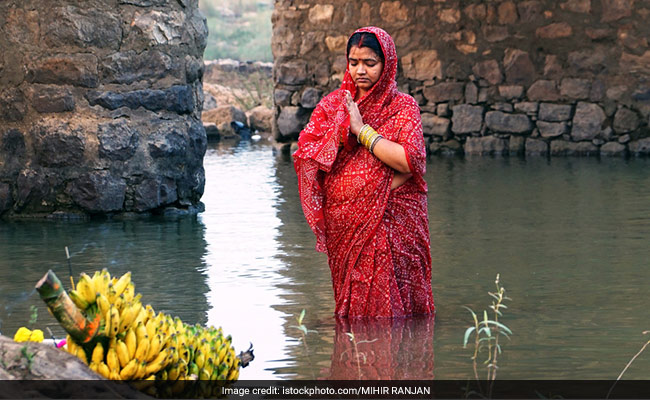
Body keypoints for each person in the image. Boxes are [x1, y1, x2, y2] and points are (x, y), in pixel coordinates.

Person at [293, 27, 434, 318]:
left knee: (395, 315)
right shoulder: (334, 106)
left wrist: (360, 131)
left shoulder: (403, 107)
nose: (360, 70)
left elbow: (410, 162)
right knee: (356, 317)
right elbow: (307, 154)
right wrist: (339, 135)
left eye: (370, 63)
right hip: (345, 225)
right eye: (353, 62)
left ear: (387, 64)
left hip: (393, 221)